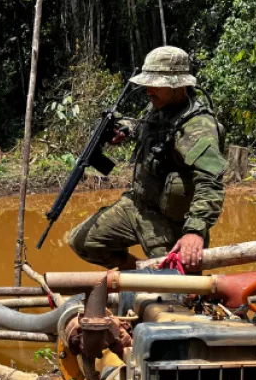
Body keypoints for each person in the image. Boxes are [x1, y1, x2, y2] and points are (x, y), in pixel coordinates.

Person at [67, 46, 226, 272]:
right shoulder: (158, 105)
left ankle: (156, 279)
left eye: (157, 84)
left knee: (178, 293)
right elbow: (144, 125)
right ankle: (141, 273)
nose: (149, 90)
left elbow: (211, 181)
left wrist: (195, 231)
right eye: (148, 83)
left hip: (170, 224)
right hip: (138, 206)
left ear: (178, 85)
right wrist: (126, 128)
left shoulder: (197, 126)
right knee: (84, 241)